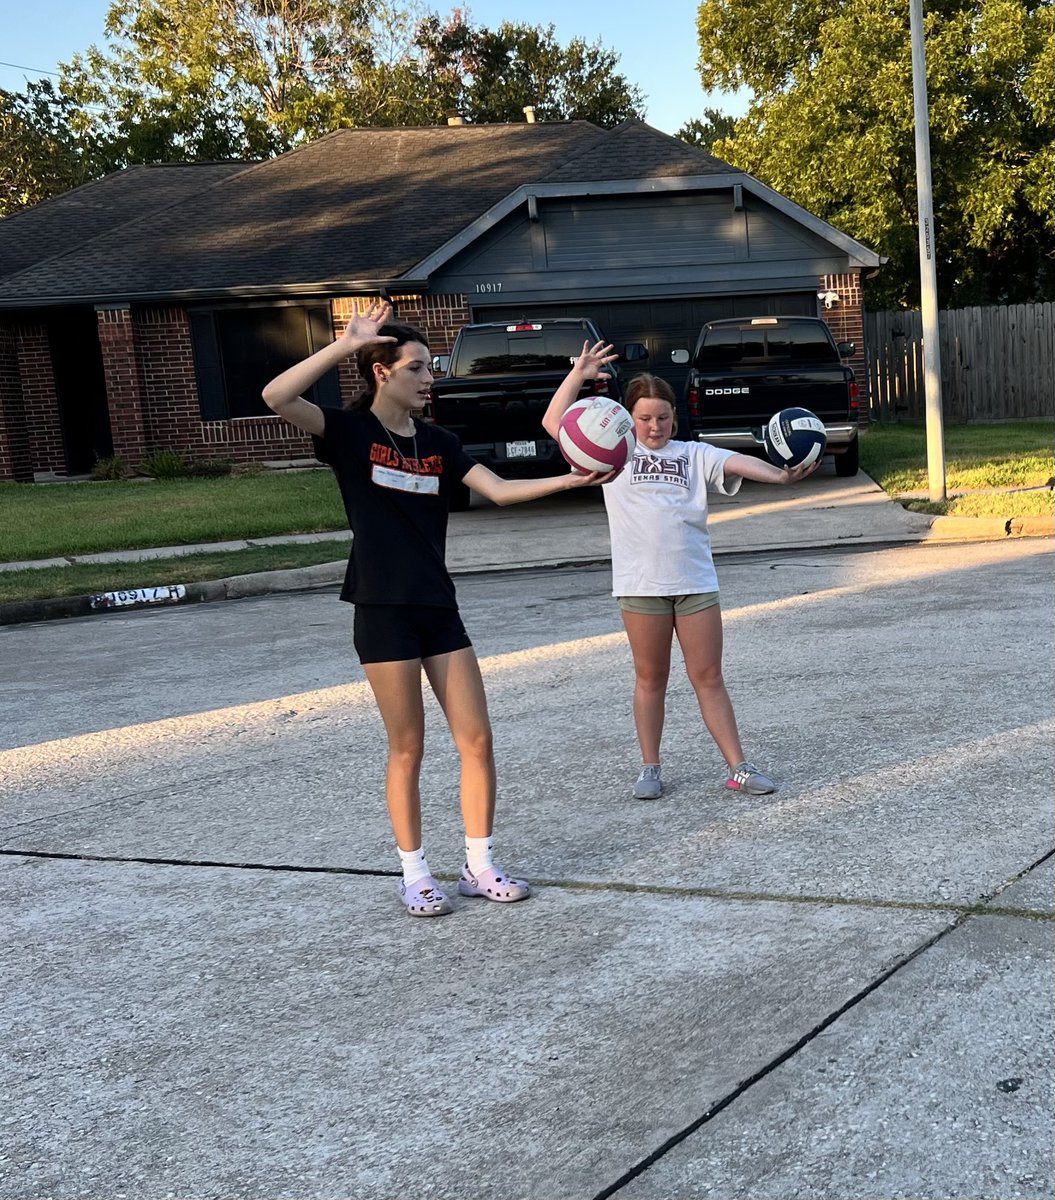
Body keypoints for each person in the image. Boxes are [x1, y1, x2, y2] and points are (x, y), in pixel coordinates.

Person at [262, 301, 605, 917]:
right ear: (382, 373)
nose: (429, 379)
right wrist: (346, 345)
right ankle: (415, 873)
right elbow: (276, 395)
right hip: (381, 607)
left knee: (476, 739)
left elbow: (498, 490)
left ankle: (479, 865)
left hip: (438, 607)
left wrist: (570, 480)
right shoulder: (348, 433)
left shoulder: (440, 442)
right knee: (408, 747)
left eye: (430, 369)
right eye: (417, 368)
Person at [542, 344, 818, 801]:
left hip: (695, 585)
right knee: (651, 679)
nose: (655, 426)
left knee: (708, 676)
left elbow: (736, 462)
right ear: (629, 419)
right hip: (641, 587)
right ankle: (650, 767)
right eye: (646, 418)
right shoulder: (612, 458)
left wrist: (780, 475)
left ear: (675, 417)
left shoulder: (693, 454)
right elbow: (556, 423)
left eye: (664, 417)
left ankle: (738, 767)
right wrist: (579, 373)